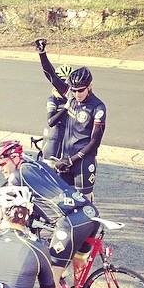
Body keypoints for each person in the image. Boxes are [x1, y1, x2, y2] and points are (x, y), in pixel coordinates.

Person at [0, 140, 99, 288]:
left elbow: (19, 209)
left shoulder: (17, 177)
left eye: (2, 163)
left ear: (15, 158)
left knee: (51, 273)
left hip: (70, 223)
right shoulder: (37, 164)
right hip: (89, 212)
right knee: (79, 256)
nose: (0, 169)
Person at [34, 38, 106, 201]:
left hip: (82, 161)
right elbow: (51, 76)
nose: (77, 94)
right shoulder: (71, 97)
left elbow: (94, 142)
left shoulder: (98, 107)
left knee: (85, 202)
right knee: (65, 201)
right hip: (65, 159)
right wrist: (42, 54)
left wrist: (71, 160)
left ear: (90, 87)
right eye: (74, 90)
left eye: (81, 90)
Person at [41, 64, 73, 162]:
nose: (67, 85)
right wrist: (66, 108)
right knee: (51, 172)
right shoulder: (53, 99)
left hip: (69, 140)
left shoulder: (74, 97)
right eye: (63, 81)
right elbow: (50, 122)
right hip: (55, 140)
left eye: (70, 82)